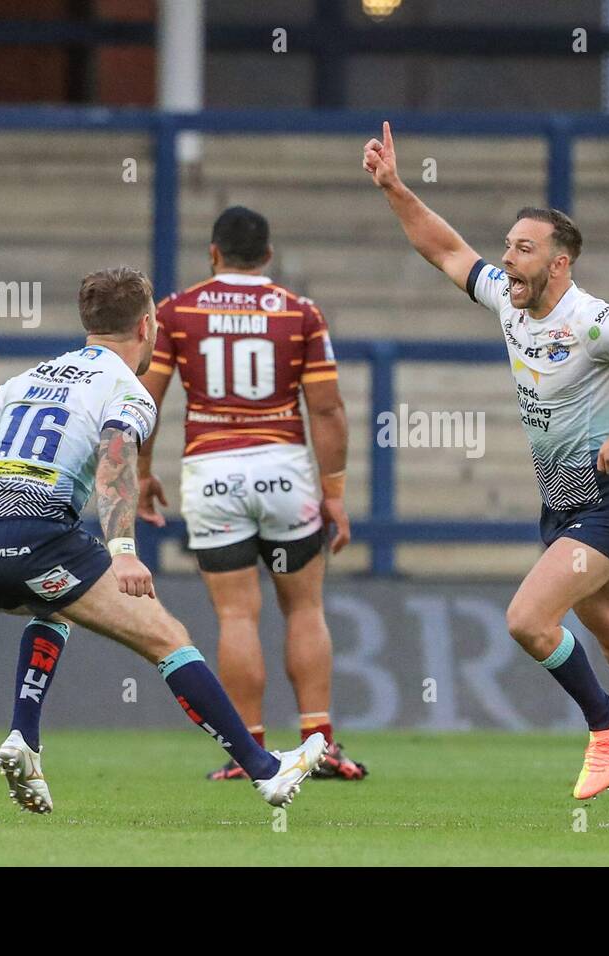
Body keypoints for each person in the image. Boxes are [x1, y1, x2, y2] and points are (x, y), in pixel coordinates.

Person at [362, 122, 609, 824]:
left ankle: (605, 728)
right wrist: (395, 189)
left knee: (528, 621)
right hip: (562, 506)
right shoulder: (510, 299)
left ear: (559, 264)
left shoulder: (595, 321)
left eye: (523, 248)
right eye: (507, 245)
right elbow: (444, 248)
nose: (507, 259)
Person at [0, 266, 325, 812]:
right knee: (167, 637)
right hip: (36, 536)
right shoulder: (126, 390)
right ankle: (266, 771)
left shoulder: (31, 377)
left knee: (55, 604)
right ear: (147, 324)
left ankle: (24, 737)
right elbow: (116, 460)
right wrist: (124, 552)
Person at [137, 206, 367, 782]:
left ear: (213, 253)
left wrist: (141, 473)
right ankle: (319, 745)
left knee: (237, 615)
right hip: (285, 473)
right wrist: (334, 492)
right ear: (268, 257)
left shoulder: (177, 311)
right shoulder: (300, 312)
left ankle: (250, 753)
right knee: (305, 608)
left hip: (212, 474)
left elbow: (145, 399)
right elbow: (329, 409)